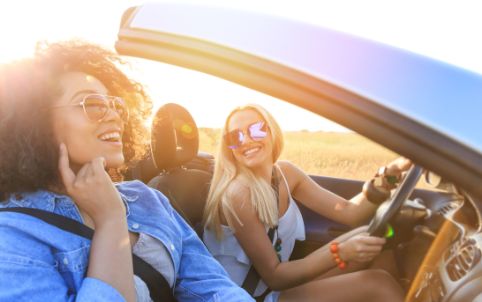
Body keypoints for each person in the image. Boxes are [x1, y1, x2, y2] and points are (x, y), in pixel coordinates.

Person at [0, 40, 253, 302]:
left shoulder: (148, 199)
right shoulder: (12, 235)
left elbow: (214, 287)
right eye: (93, 104)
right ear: (36, 122)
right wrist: (111, 221)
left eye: (116, 105)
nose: (114, 116)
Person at [203, 104, 410, 302]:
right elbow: (274, 276)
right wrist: (342, 252)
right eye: (235, 136)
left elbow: (349, 212)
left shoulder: (286, 174)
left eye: (256, 129)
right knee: (378, 284)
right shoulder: (238, 193)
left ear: (272, 130)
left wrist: (388, 176)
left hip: (274, 288)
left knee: (374, 239)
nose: (246, 140)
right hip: (249, 297)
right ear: (228, 147)